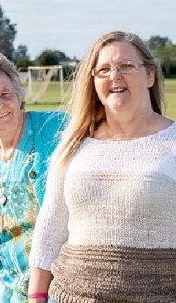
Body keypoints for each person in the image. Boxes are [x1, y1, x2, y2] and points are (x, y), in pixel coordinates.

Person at [28, 31, 176, 303]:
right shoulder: (73, 144)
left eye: (126, 66)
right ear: (93, 81)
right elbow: (50, 229)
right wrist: (36, 297)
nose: (114, 76)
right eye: (103, 70)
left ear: (150, 76)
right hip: (71, 296)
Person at [0, 51, 65, 303]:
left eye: (5, 94)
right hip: (12, 289)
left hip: (59, 288)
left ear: (19, 94)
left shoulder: (57, 127)